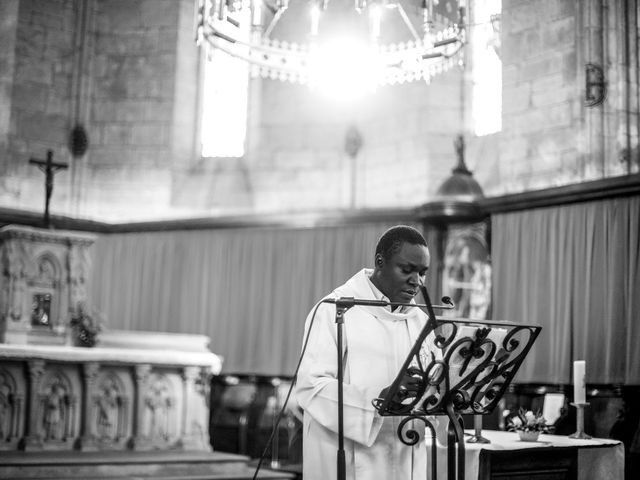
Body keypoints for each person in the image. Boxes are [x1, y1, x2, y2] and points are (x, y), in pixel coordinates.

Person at [295, 225, 442, 480]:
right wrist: (379, 399)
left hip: (406, 453)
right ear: (380, 262)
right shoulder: (334, 309)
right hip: (350, 459)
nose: (416, 282)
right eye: (406, 270)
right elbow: (311, 387)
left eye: (422, 273)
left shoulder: (420, 320)